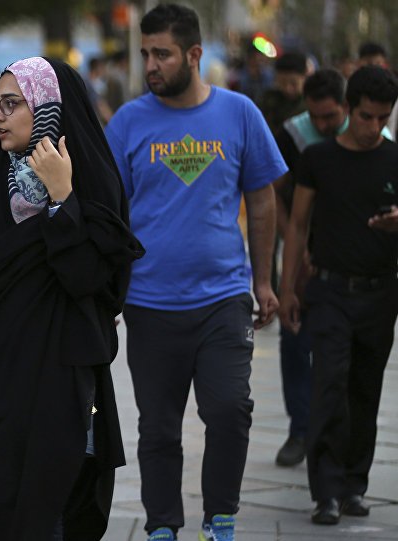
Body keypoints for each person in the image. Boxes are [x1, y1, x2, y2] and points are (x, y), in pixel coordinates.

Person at [0, 56, 144, 540]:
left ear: (48, 109)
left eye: (11, 104)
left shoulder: (92, 182)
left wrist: (63, 200)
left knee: (46, 517)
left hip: (55, 389)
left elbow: (93, 285)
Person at [105, 5, 286, 540]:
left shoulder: (239, 113)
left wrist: (263, 281)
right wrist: (108, 291)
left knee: (229, 409)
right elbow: (110, 215)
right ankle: (162, 526)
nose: (150, 65)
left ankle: (220, 518)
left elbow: (262, 200)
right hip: (149, 302)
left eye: (161, 54)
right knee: (158, 427)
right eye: (145, 54)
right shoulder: (128, 123)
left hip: (223, 298)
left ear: (194, 55)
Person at [278, 65, 398, 527]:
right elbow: (297, 225)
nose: (374, 127)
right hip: (329, 290)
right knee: (329, 386)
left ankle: (354, 485)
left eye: (383, 118)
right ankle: (325, 491)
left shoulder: (393, 157)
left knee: (365, 390)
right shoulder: (319, 158)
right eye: (367, 117)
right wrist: (287, 288)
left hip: (380, 291)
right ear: (349, 109)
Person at [269, 69, 350, 468]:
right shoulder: (292, 135)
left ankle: (336, 433)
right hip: (300, 255)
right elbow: (273, 193)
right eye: (315, 116)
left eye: (330, 117)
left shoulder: (366, 133)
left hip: (345, 259)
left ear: (346, 107)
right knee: (295, 339)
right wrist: (292, 241)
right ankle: (299, 429)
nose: (321, 125)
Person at [259, 51, 309, 137]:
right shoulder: (268, 101)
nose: (288, 89)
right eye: (282, 83)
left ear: (304, 78)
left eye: (294, 83)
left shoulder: (312, 104)